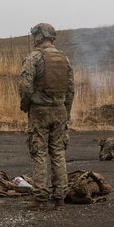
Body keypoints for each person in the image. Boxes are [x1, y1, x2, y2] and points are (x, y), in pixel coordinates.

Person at [19, 22, 75, 210]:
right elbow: (70, 89)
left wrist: (26, 105)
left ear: (39, 37)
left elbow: (25, 86)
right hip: (59, 110)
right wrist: (66, 111)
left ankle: (41, 198)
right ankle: (60, 198)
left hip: (39, 111)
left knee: (39, 153)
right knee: (58, 153)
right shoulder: (64, 59)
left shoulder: (33, 58)